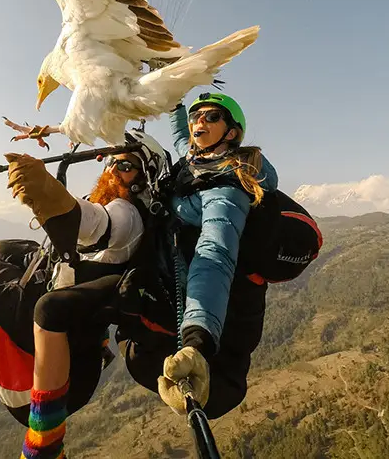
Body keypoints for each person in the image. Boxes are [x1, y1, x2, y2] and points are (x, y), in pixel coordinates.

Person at [0, 130, 168, 442]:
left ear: (145, 177)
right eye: (109, 162)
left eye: (124, 165)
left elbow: (94, 224)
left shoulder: (126, 213)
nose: (110, 170)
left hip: (56, 351)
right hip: (79, 331)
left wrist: (48, 192)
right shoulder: (133, 211)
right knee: (0, 248)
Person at [115, 92, 278, 419]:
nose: (199, 121)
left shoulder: (227, 190)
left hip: (208, 320)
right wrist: (175, 101)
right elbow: (180, 137)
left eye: (211, 116)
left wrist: (197, 341)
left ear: (231, 133)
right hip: (174, 287)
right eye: (196, 115)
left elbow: (214, 257)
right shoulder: (197, 160)